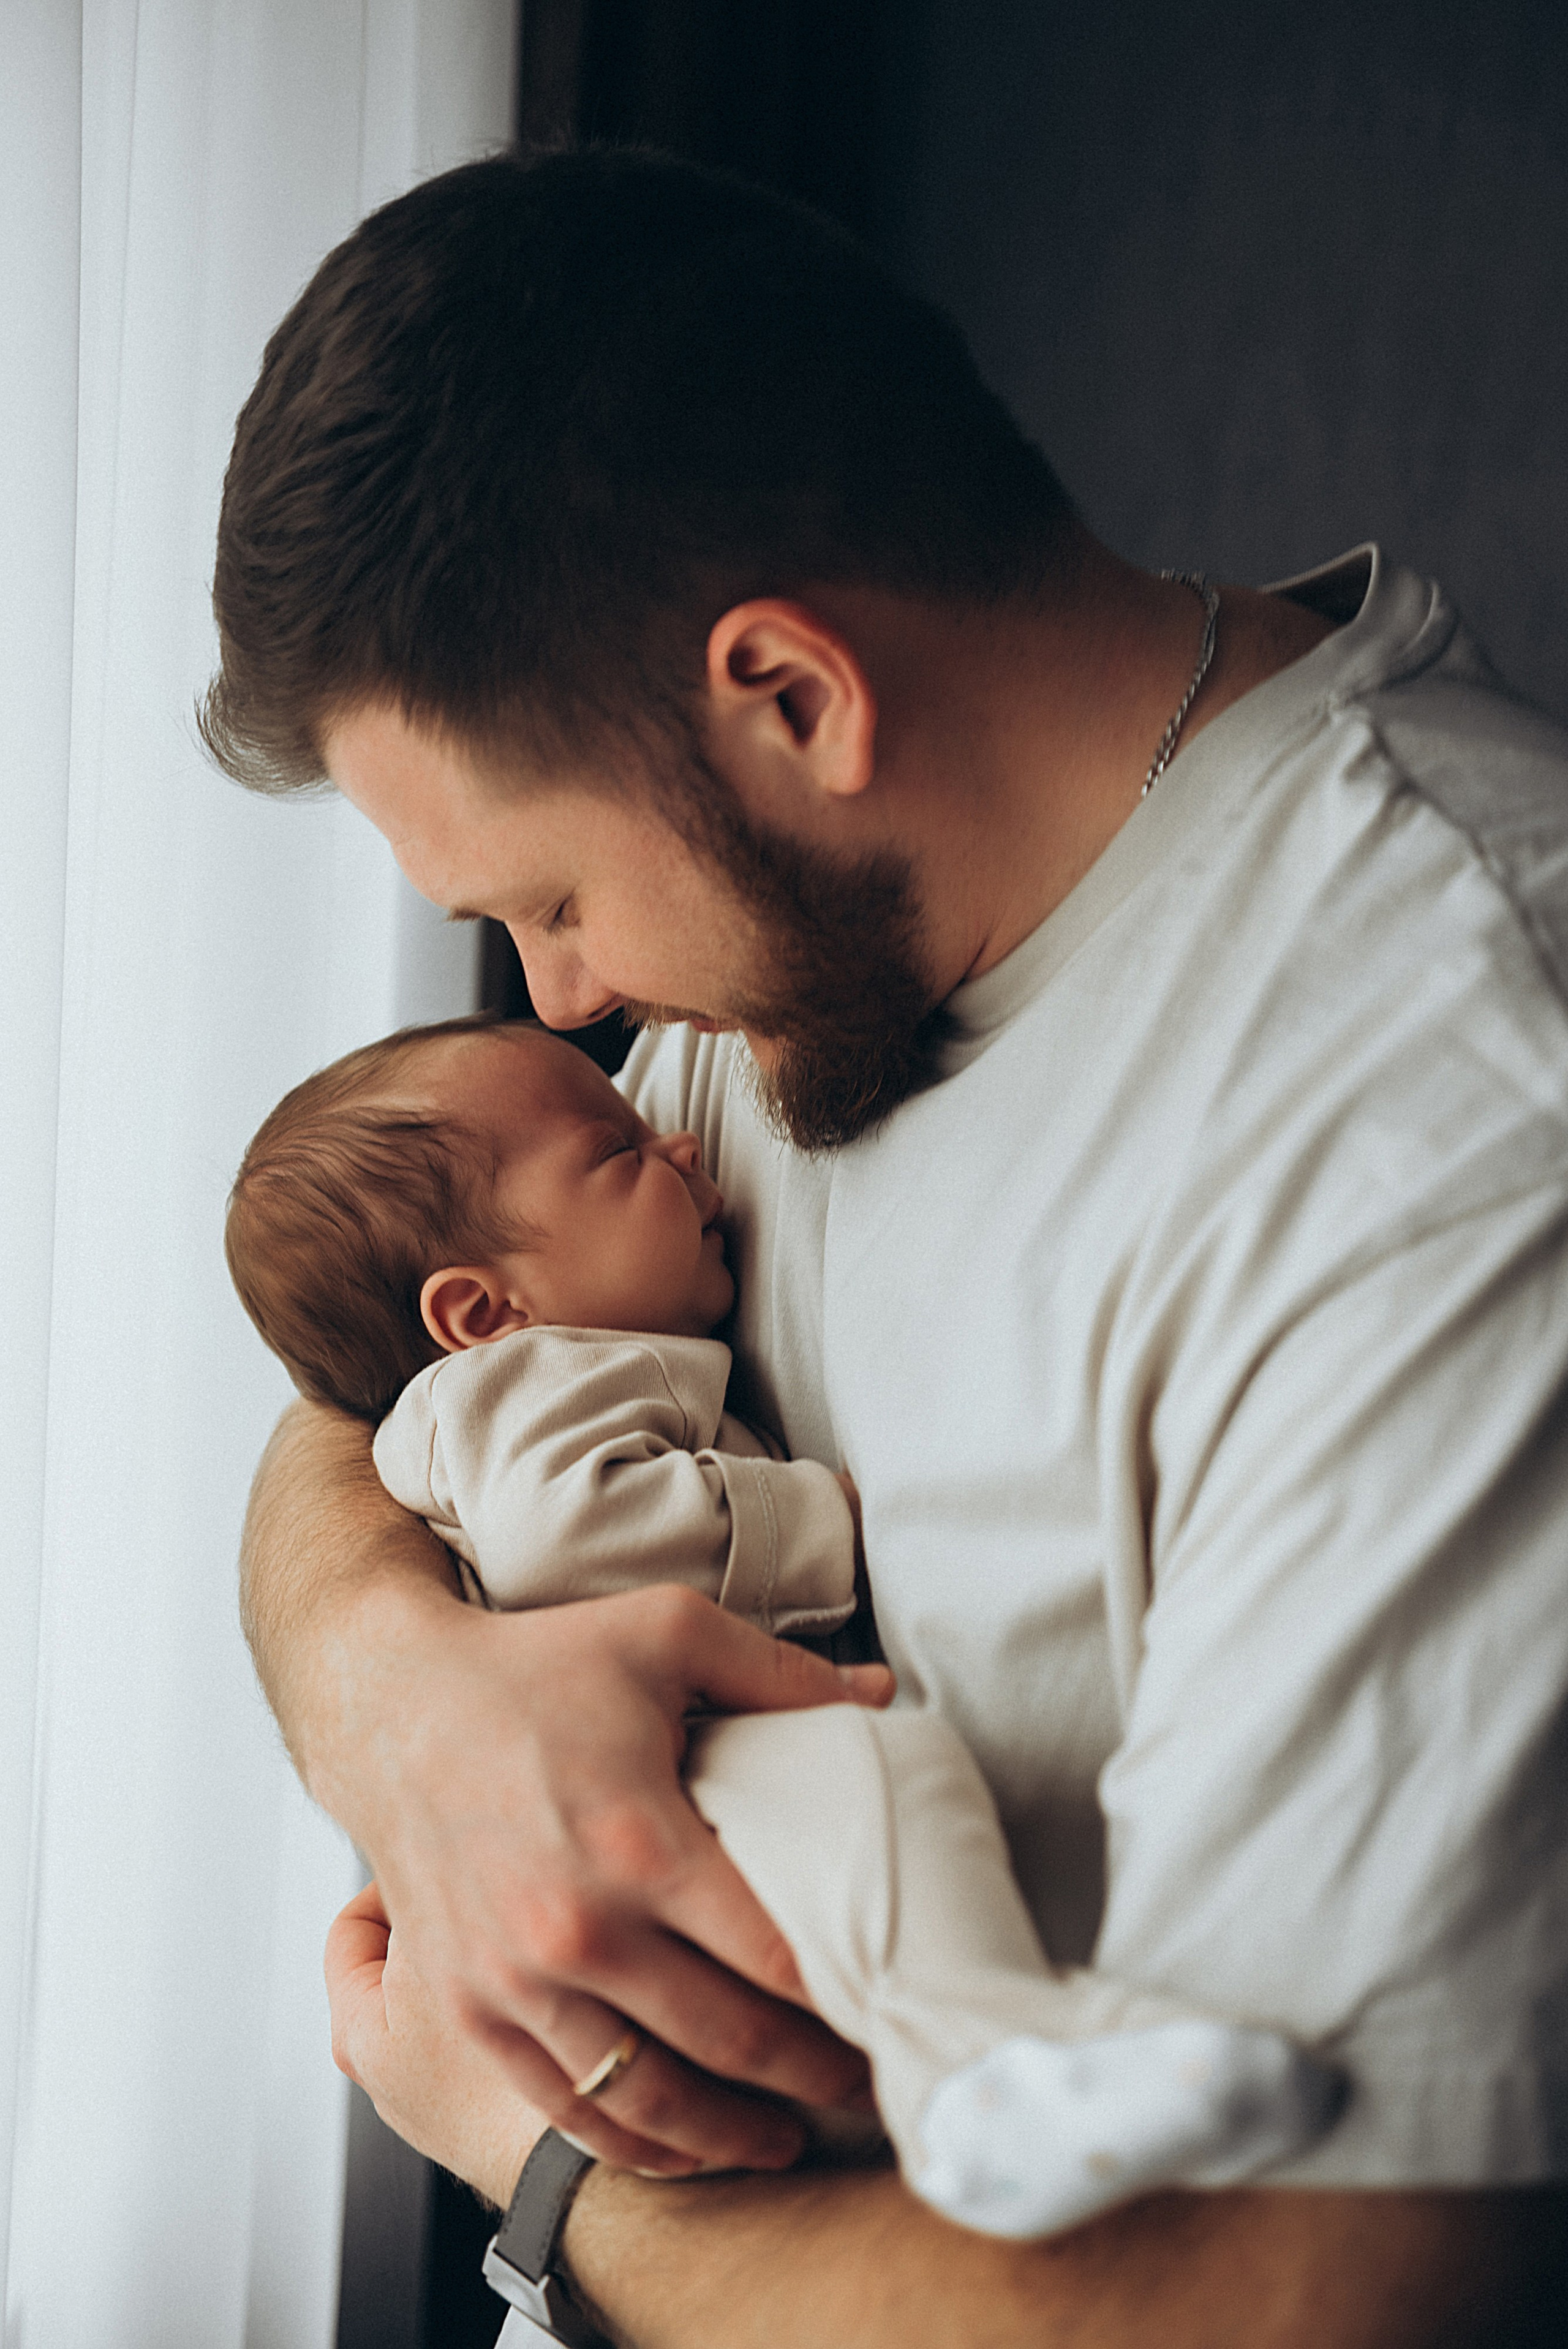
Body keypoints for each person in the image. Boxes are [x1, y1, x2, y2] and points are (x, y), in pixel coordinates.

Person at [204, 147, 1568, 2344]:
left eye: (549, 898)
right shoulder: (785, 964)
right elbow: (369, 1387)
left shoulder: (1454, 1109)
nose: (558, 1001)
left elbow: (1312, 2299)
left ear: (793, 697)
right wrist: (406, 1705)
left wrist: (538, 2168)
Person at [225, 1011, 1338, 2241]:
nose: (686, 1150)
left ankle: (987, 2075)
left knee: (870, 1870)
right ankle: (987, 2069)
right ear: (484, 1312)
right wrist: (823, 1516)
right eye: (619, 1157)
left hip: (666, 1769)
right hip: (675, 1753)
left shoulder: (532, 1343)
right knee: (885, 1785)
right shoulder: (530, 1383)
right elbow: (570, 1533)